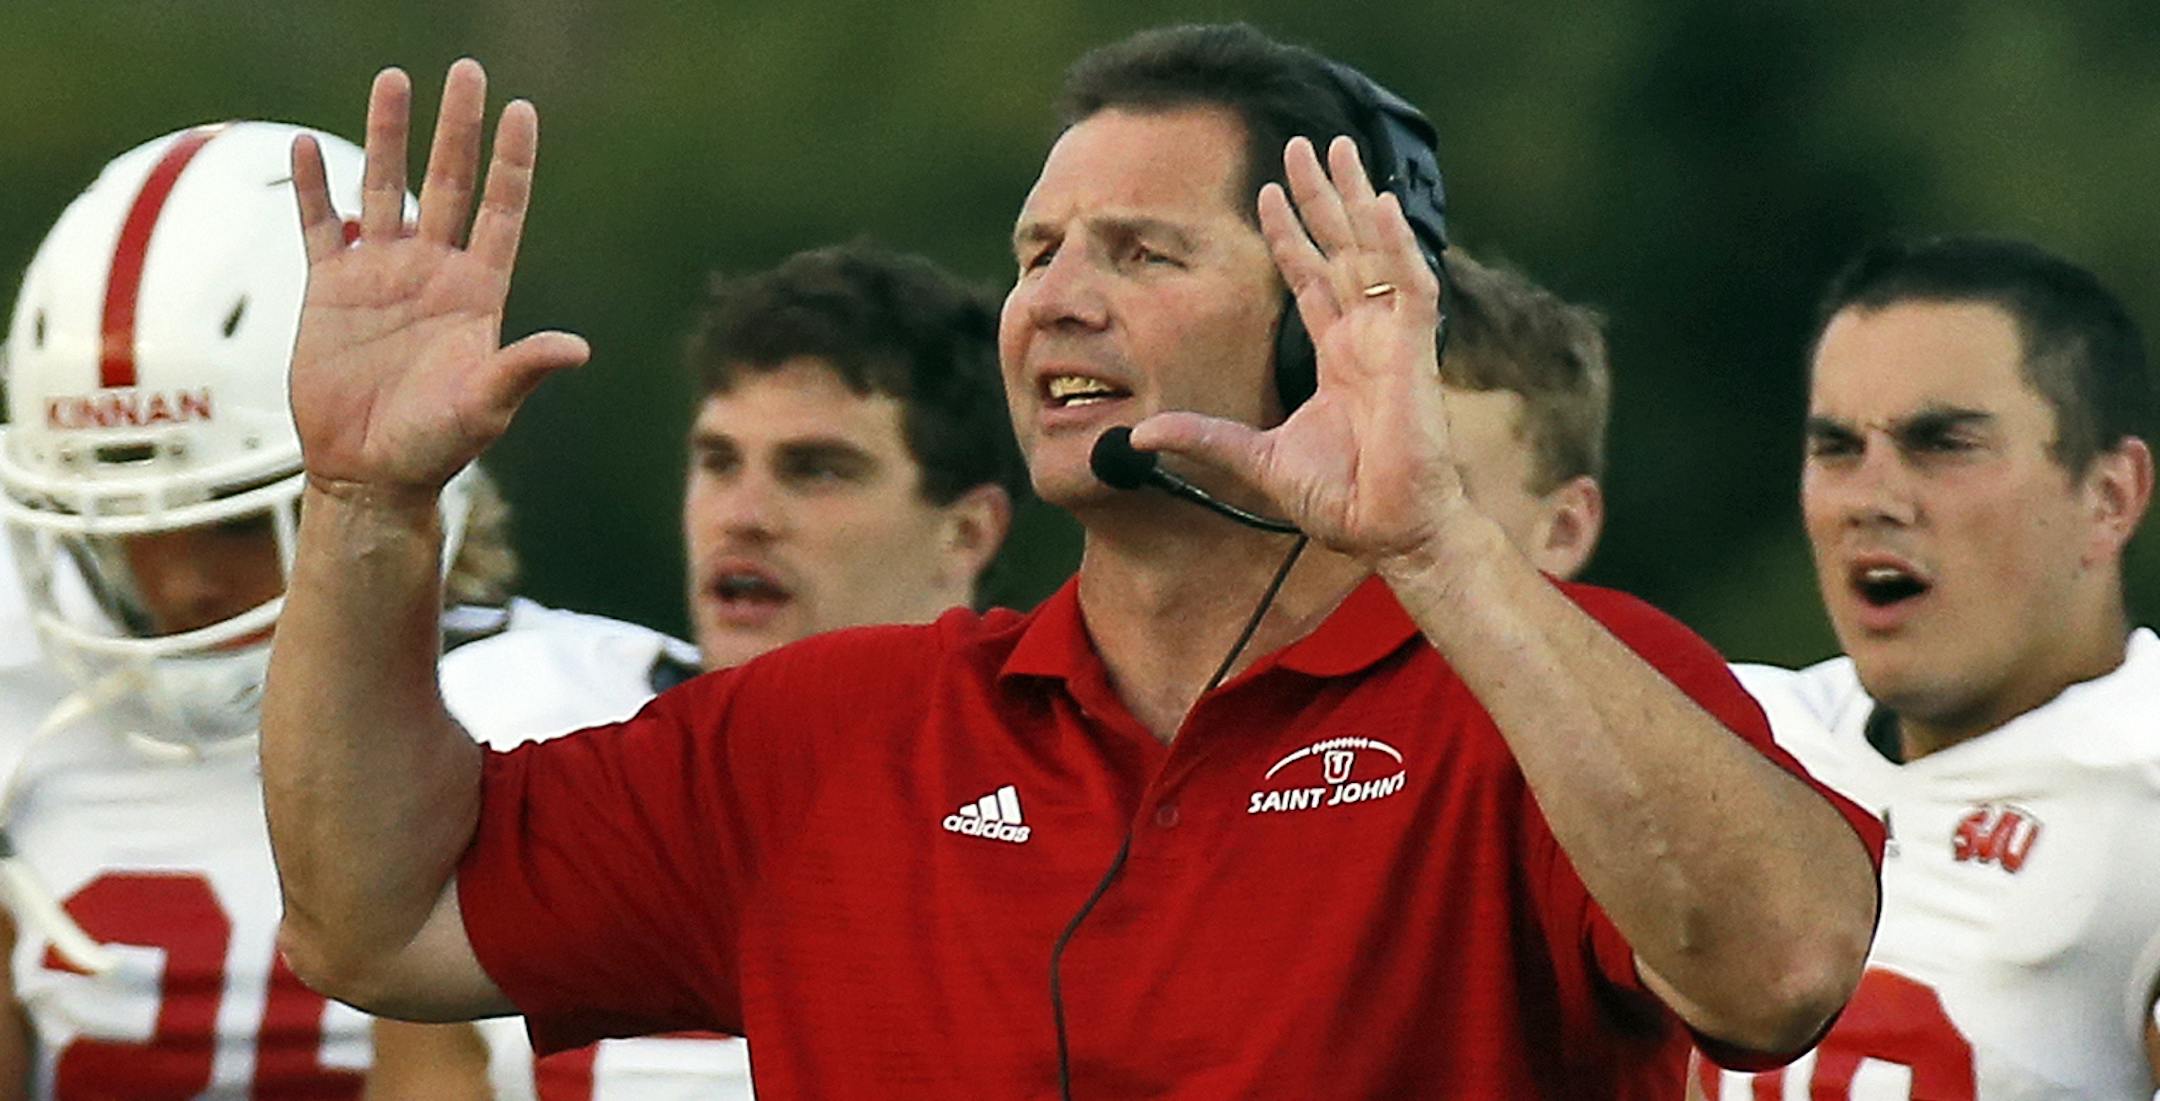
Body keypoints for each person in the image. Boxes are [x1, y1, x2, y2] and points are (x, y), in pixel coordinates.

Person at [262, 27, 1884, 1098]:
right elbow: (375, 917)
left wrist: (1440, 539)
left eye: (1141, 252)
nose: (1052, 300)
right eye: (1038, 253)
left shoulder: (1543, 691)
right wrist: (363, 506)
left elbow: (1782, 972)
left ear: (1321, 329)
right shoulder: (825, 735)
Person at [441, 242, 1023, 1098]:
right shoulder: (524, 714)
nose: (743, 517)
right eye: (719, 462)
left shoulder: (1060, 789)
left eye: (816, 469)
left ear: (967, 532)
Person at [0, 121, 499, 1099]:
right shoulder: (26, 725)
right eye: (126, 531)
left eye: (233, 528)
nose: (180, 587)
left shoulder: (572, 711)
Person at [1692, 237, 2160, 1098]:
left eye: (1943, 444)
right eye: (1837, 448)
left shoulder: (2145, 782)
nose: (1873, 497)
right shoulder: (1725, 733)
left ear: (2109, 497)